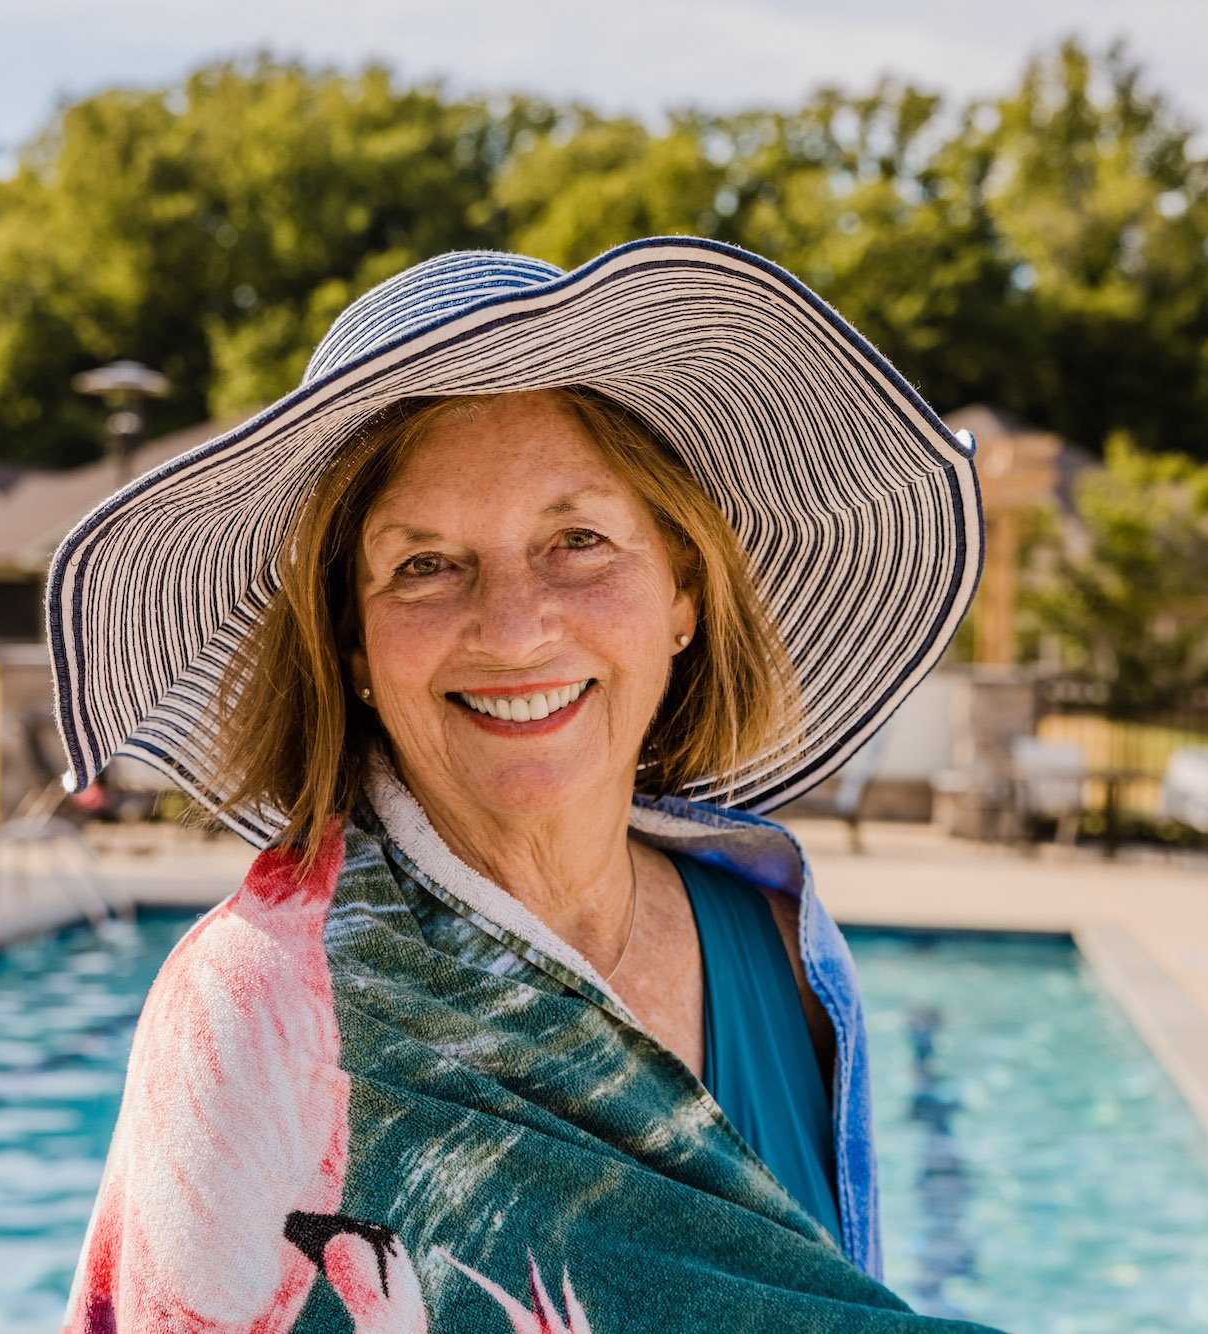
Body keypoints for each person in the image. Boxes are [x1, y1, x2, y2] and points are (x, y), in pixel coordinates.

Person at [54, 239, 986, 1332]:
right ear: (351, 641)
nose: (511, 626)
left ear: (681, 593)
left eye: (578, 540)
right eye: (425, 564)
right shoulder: (251, 1008)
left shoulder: (779, 944)